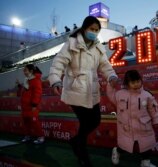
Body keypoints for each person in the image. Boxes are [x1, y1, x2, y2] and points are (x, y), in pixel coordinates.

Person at [48, 16, 118, 167]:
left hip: (92, 90)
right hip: (75, 90)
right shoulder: (71, 44)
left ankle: (75, 142)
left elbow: (105, 65)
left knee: (95, 121)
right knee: (85, 122)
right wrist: (55, 80)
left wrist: (111, 76)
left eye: (96, 30)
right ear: (84, 28)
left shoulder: (99, 47)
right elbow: (58, 62)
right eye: (91, 29)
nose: (94, 32)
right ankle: (83, 155)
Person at [106, 70, 158, 167]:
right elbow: (111, 95)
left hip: (143, 126)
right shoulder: (120, 94)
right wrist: (110, 85)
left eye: (138, 81)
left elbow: (153, 109)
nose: (136, 84)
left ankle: (145, 162)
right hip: (126, 127)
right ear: (127, 83)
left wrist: (156, 120)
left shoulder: (147, 95)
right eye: (133, 82)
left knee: (146, 145)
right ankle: (117, 151)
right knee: (124, 145)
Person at [17, 64, 44, 144]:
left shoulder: (36, 80)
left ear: (31, 71)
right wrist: (19, 86)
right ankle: (28, 136)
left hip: (32, 106)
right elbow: (26, 91)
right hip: (25, 106)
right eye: (23, 70)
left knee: (34, 122)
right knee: (26, 122)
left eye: (25, 70)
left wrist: (34, 104)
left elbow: (37, 93)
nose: (23, 72)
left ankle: (41, 137)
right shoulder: (27, 80)